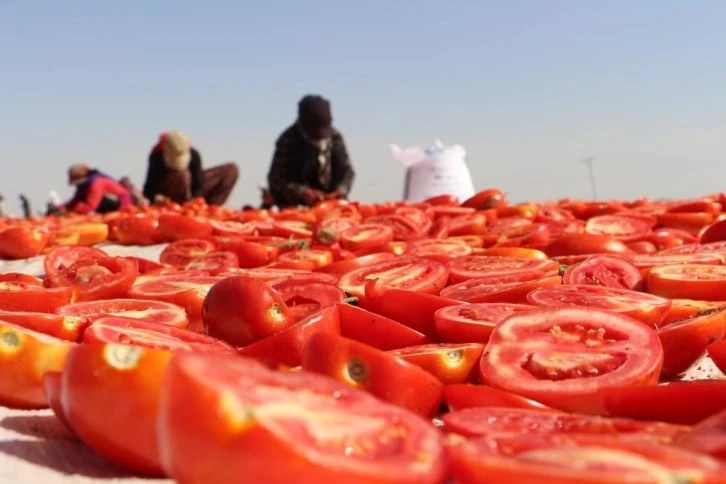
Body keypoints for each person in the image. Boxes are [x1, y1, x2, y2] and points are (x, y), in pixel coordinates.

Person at [267, 95, 355, 208]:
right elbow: (276, 179)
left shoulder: (335, 138)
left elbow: (348, 171)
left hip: (332, 206)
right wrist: (302, 192)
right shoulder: (288, 140)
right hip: (296, 208)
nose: (318, 139)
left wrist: (340, 190)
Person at [142, 131, 239, 206]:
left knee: (231, 170)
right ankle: (183, 207)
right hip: (169, 197)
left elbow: (198, 184)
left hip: (190, 195)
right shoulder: (156, 157)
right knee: (181, 175)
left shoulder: (194, 155)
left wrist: (197, 201)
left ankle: (210, 209)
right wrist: (155, 197)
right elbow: (148, 189)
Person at [59, 164, 134, 214]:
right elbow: (73, 202)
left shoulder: (96, 183)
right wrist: (60, 208)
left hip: (123, 203)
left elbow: (91, 206)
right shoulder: (83, 186)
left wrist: (72, 211)